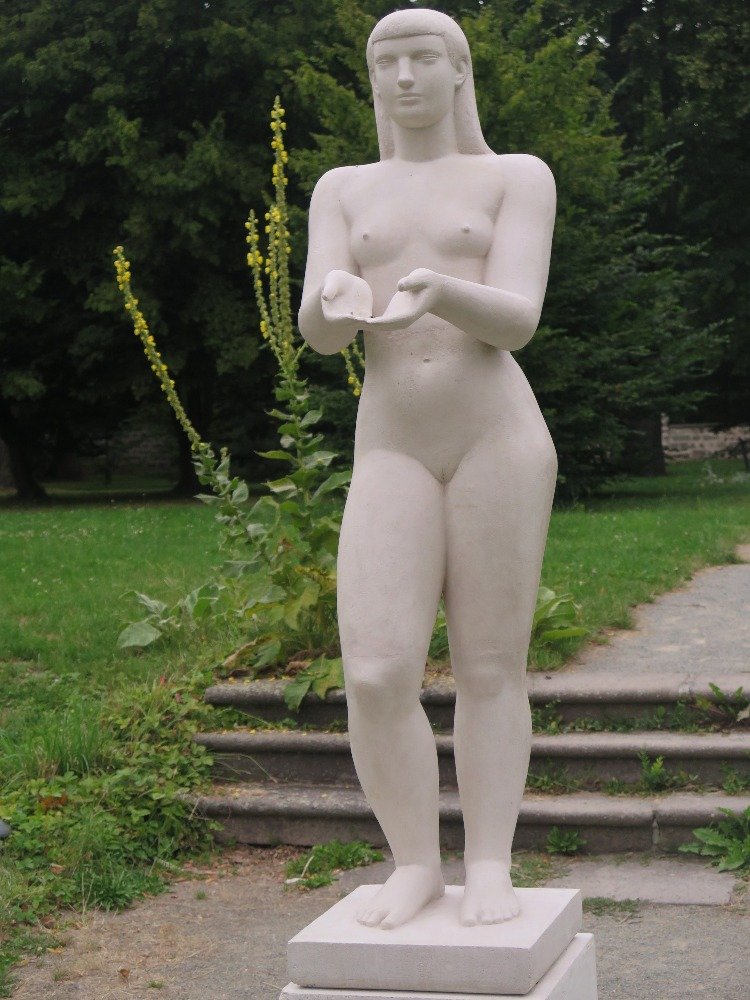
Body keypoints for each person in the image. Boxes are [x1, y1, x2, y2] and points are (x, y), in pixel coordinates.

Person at [298, 8, 557, 931]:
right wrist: (337, 299)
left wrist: (439, 291)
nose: (403, 77)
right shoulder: (342, 189)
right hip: (392, 442)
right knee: (375, 671)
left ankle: (488, 861)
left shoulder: (514, 176)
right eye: (386, 62)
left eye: (421, 59)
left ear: (458, 72)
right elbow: (319, 331)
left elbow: (518, 316)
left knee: (489, 664)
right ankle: (414, 861)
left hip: (497, 437)